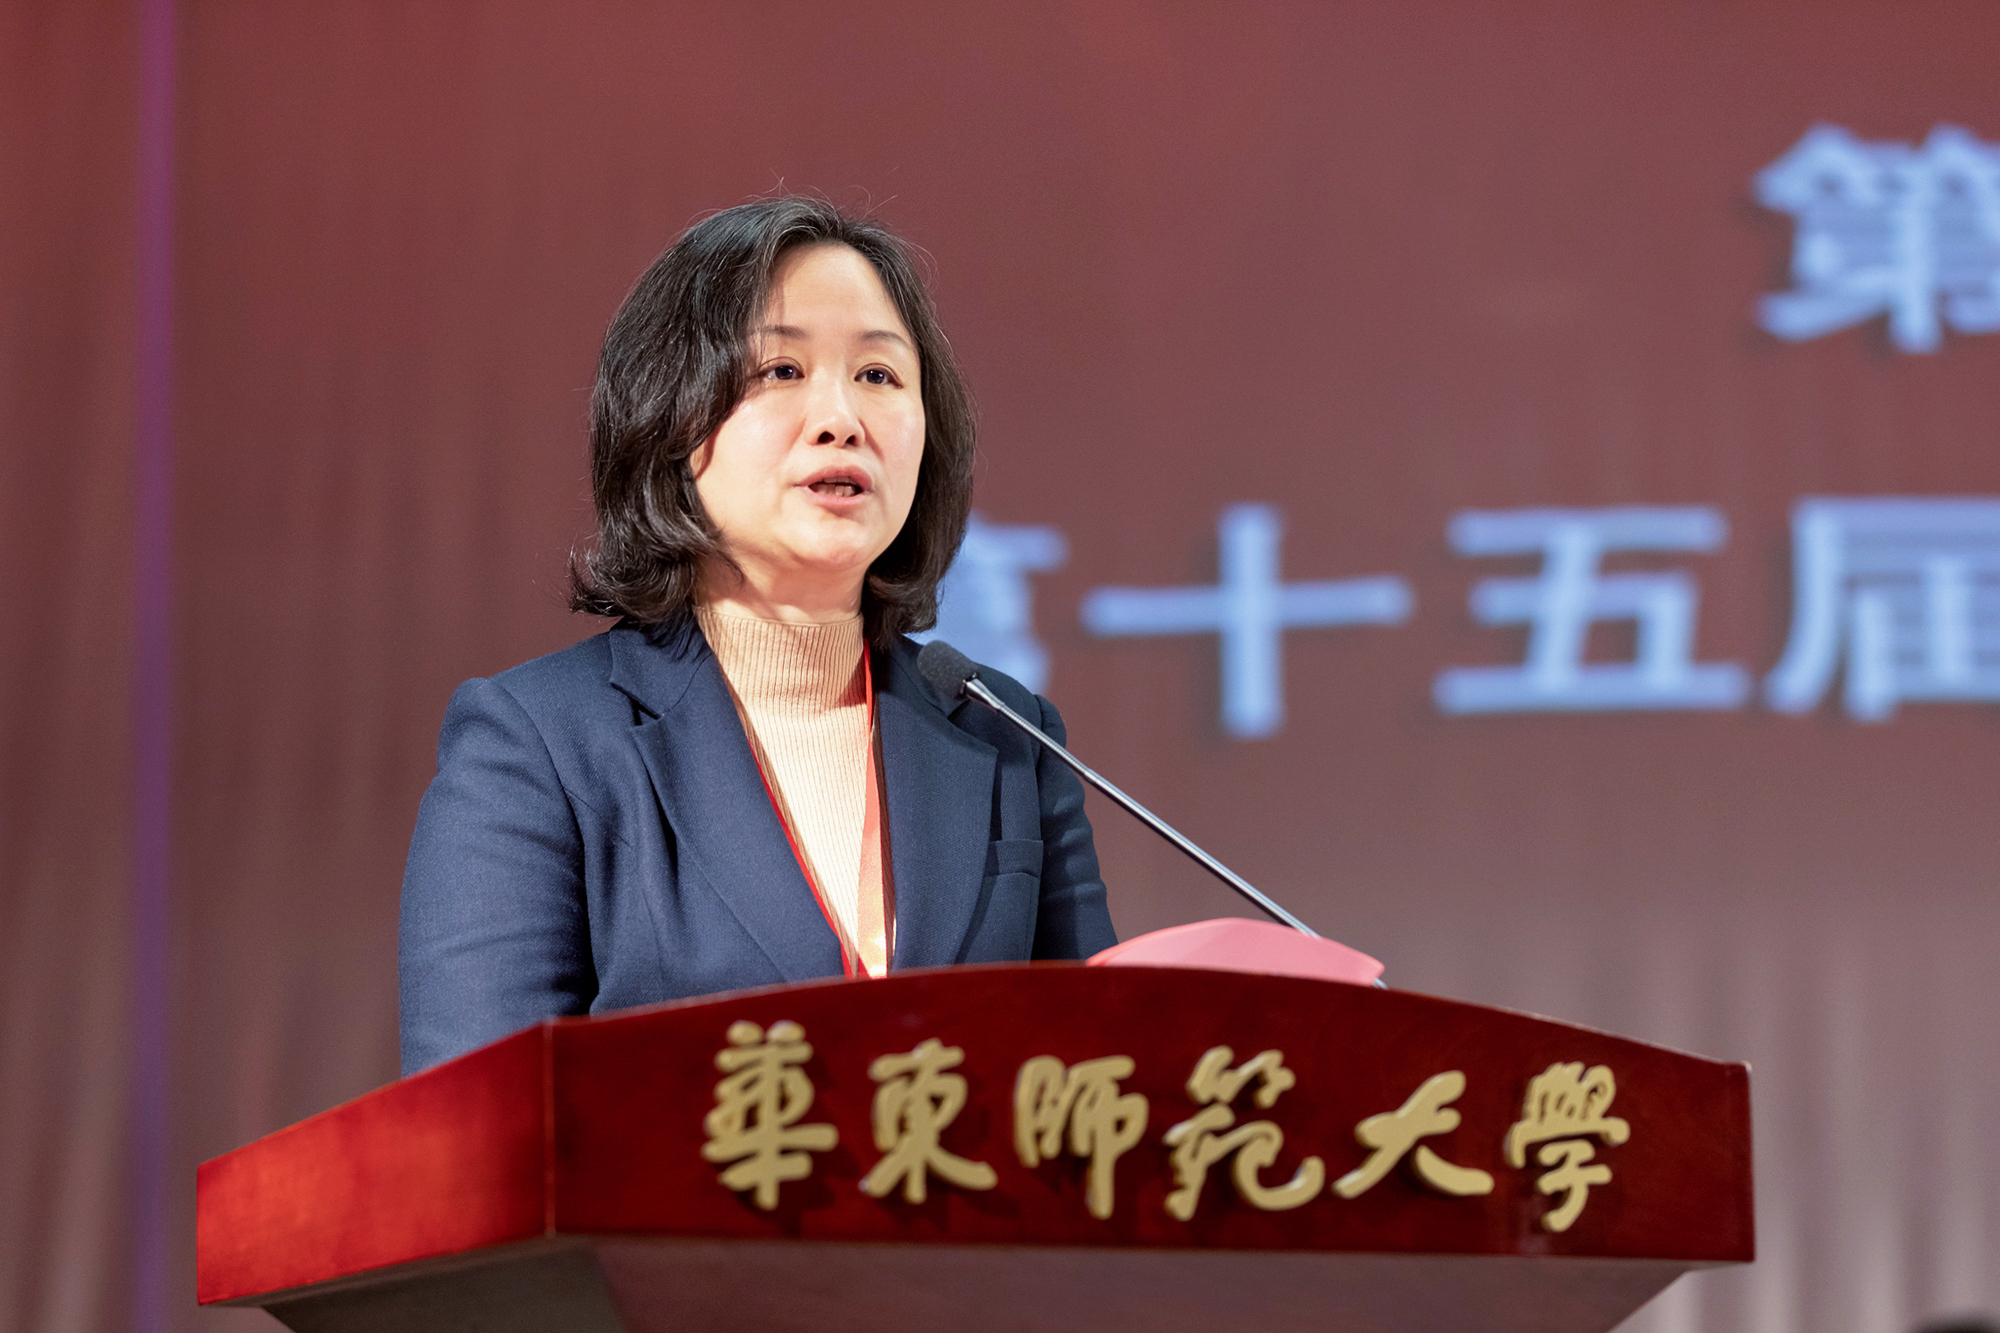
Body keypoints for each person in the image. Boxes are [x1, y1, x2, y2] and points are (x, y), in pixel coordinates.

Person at [398, 197, 1117, 1075]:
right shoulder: (540, 746)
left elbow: (1104, 1082)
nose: (841, 417)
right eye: (781, 369)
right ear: (671, 417)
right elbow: (474, 1123)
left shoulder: (1006, 733)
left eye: (879, 375)